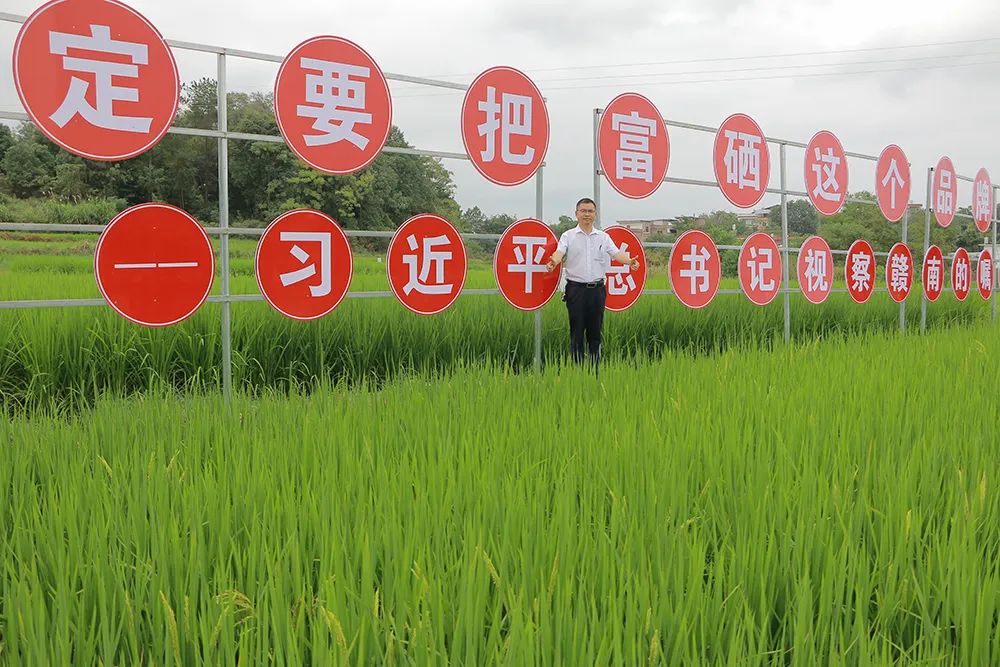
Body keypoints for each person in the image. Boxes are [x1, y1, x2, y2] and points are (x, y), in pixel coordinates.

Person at [545, 197, 639, 366]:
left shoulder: (603, 237)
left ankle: (594, 372)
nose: (587, 214)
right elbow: (560, 251)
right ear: (576, 214)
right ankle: (577, 371)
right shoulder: (569, 236)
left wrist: (630, 261)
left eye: (590, 211)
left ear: (595, 214)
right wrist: (554, 261)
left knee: (595, 334)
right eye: (583, 211)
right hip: (576, 291)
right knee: (577, 334)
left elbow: (617, 254)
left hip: (597, 291)